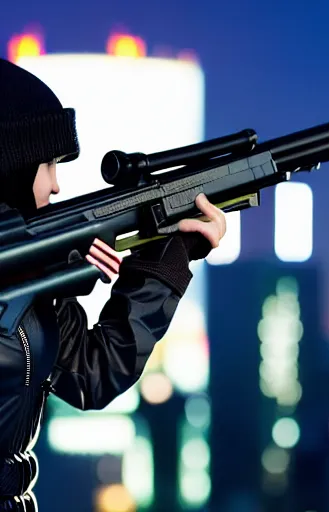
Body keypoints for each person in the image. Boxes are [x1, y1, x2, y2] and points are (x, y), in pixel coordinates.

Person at [0, 57, 226, 511]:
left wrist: (169, 255)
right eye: (48, 163)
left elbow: (92, 374)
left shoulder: (27, 278)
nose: (57, 185)